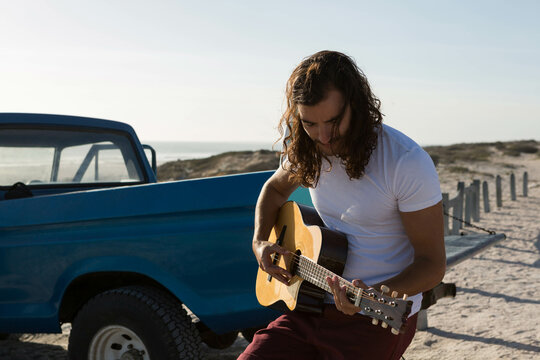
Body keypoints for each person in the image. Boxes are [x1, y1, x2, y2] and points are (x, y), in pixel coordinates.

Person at [239, 50, 446, 360]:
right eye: (309, 124)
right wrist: (259, 242)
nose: (323, 137)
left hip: (376, 318)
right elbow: (274, 190)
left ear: (356, 105)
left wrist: (377, 294)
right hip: (309, 302)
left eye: (333, 122)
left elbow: (432, 264)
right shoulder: (308, 150)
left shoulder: (405, 162)